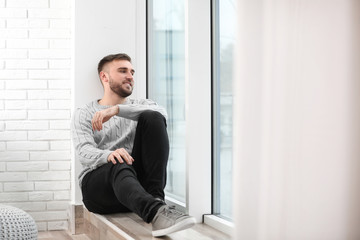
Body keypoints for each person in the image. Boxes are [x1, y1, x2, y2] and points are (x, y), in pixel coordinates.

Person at [71, 53, 196, 237]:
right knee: (118, 162)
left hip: (135, 189)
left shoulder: (141, 105)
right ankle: (155, 213)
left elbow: (162, 114)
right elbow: (83, 151)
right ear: (104, 77)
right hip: (99, 190)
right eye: (122, 71)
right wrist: (108, 155)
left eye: (132, 72)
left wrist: (117, 110)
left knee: (153, 117)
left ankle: (155, 200)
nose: (130, 76)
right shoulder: (84, 113)